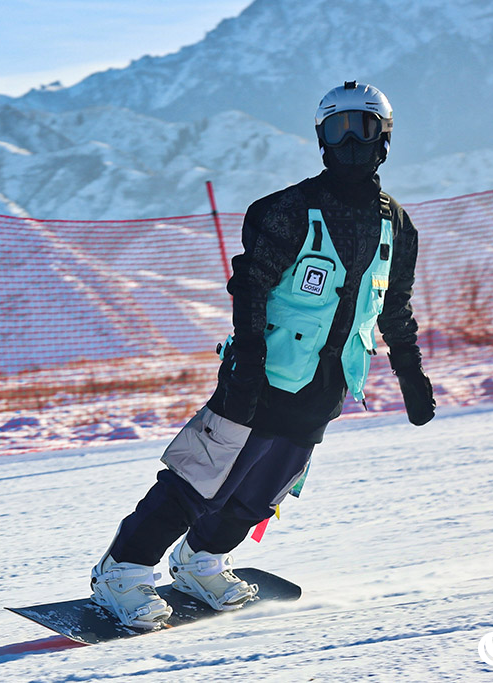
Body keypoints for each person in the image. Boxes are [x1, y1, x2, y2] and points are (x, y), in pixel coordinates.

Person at [89, 81, 436, 629]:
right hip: (261, 371)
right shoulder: (288, 210)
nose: (349, 141)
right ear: (320, 138)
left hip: (327, 382)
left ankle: (201, 561)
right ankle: (122, 571)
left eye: (362, 127)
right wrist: (248, 360)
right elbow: (250, 287)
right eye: (337, 129)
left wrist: (410, 372)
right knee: (203, 475)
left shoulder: (397, 225)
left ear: (384, 137)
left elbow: (395, 307)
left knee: (264, 486)